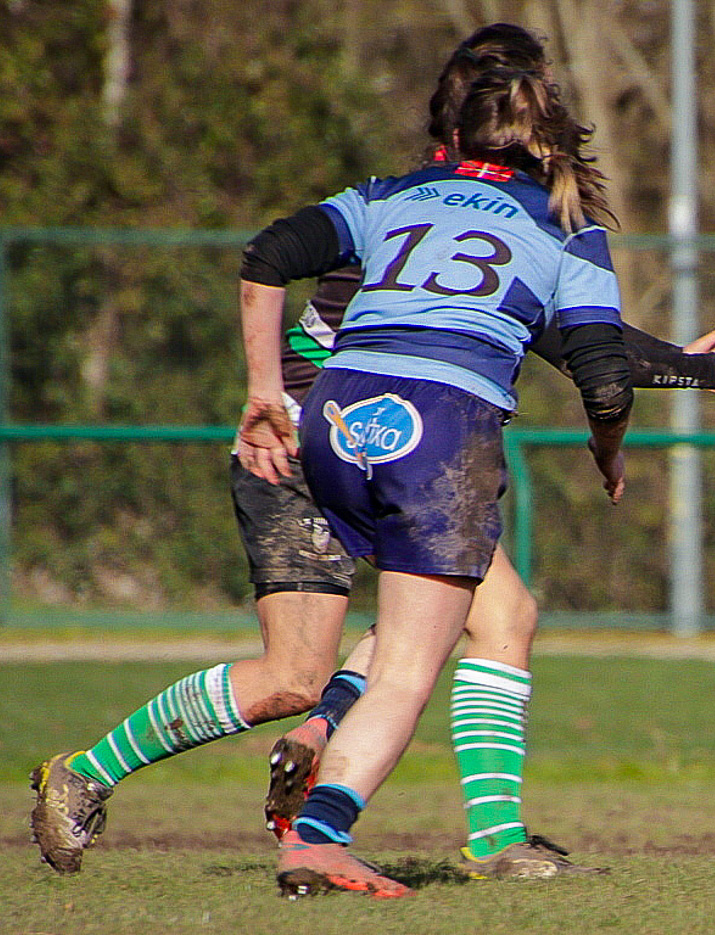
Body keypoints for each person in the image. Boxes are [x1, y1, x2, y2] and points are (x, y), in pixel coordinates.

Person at [28, 24, 715, 884]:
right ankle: (140, 770)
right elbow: (574, 344)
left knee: (491, 616)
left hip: (331, 430)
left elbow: (548, 327)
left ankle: (454, 811)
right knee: (325, 666)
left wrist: (692, 367)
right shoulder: (482, 212)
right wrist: (688, 374)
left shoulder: (406, 199)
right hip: (327, 441)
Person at [232, 62, 641, 898]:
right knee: (409, 665)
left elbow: (270, 253)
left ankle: (328, 732)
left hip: (336, 417)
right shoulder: (566, 225)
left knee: (439, 622)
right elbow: (604, 376)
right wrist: (609, 449)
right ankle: (319, 838)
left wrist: (264, 393)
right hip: (442, 425)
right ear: (550, 141)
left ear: (451, 133)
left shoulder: (389, 194)